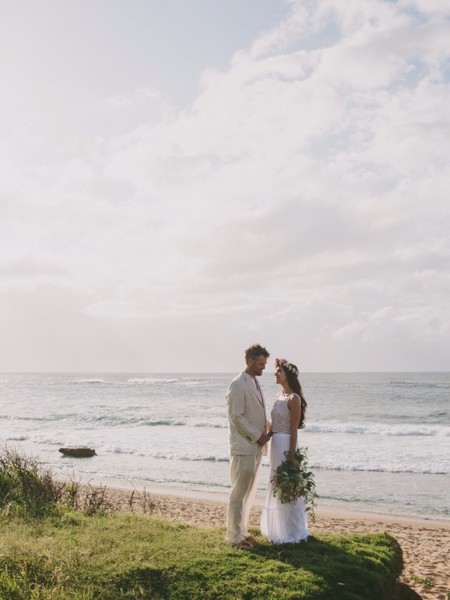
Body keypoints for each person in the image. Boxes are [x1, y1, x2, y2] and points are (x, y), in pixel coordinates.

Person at [225, 343, 271, 549]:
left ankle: (242, 531)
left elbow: (255, 412)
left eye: (264, 364)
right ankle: (234, 537)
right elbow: (236, 417)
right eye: (260, 364)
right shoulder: (237, 384)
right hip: (244, 447)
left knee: (249, 492)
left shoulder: (254, 382)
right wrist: (257, 436)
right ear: (250, 361)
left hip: (256, 447)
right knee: (238, 493)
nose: (263, 368)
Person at [260, 357, 309, 544]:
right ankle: (277, 528)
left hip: (287, 443)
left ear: (287, 375)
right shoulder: (277, 396)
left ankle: (291, 529)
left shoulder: (294, 398)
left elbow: (294, 429)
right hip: (275, 444)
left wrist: (292, 456)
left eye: (279, 371)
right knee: (276, 481)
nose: (275, 373)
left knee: (287, 484)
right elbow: (273, 424)